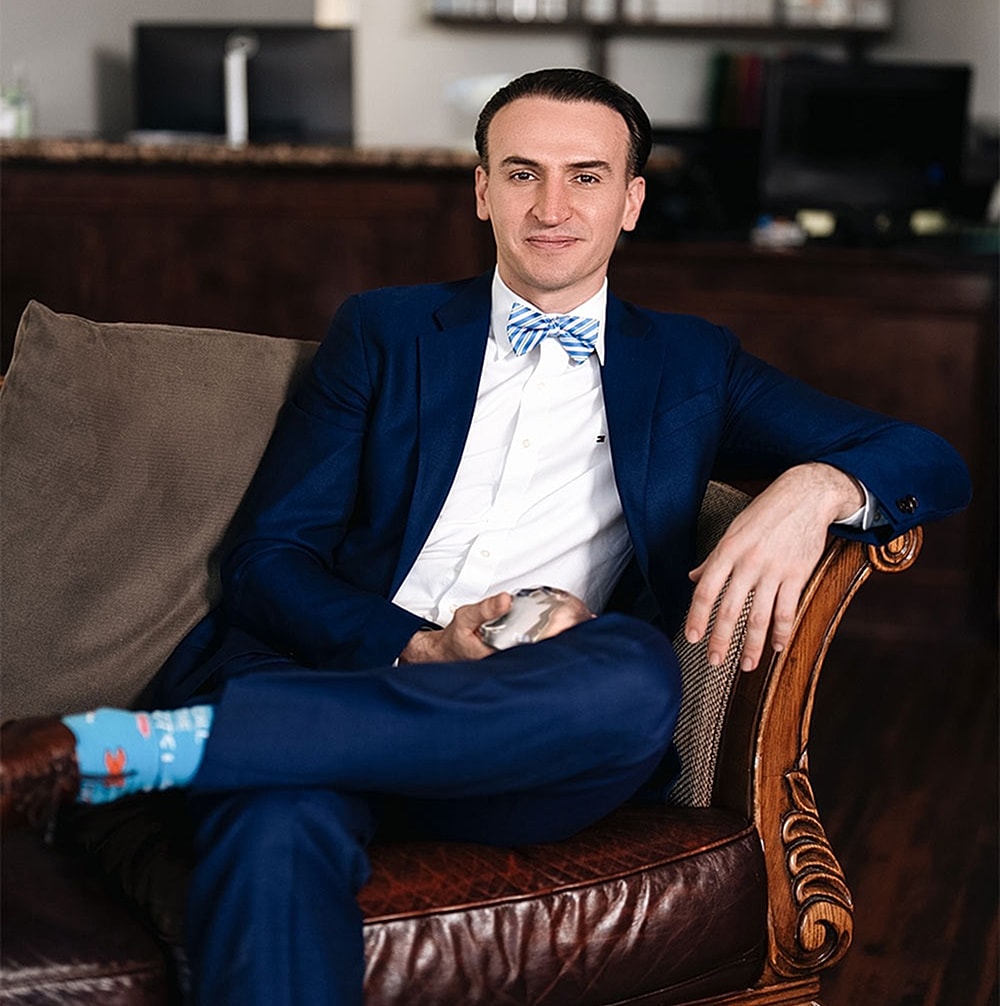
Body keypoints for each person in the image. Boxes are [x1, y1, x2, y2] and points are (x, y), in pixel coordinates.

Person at [0, 68, 971, 1005]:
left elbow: (926, 456)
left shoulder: (690, 361)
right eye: (522, 172)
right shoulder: (384, 333)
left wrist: (814, 484)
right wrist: (417, 643)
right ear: (481, 191)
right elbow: (269, 557)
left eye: (585, 176)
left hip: (530, 731)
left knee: (637, 677)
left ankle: (161, 749)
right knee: (269, 833)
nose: (552, 205)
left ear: (629, 201)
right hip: (347, 673)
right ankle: (233, 746)